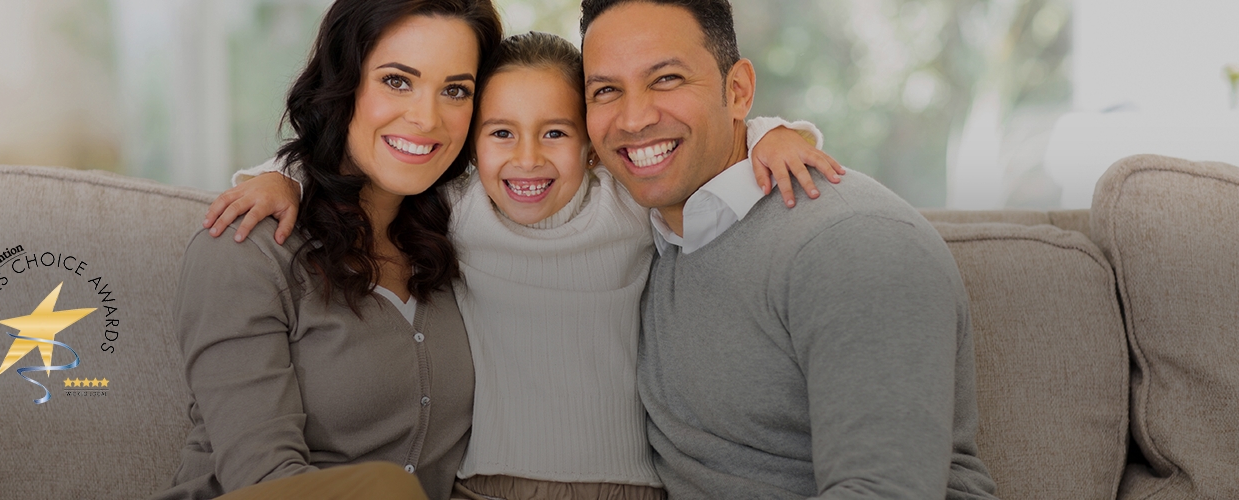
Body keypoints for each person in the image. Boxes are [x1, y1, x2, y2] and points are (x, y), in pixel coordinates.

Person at [206, 31, 845, 500]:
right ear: (470, 144)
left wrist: (778, 134)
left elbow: (699, 143)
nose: (528, 158)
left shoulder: (627, 204)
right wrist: (276, 177)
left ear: (594, 144)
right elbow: (354, 168)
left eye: (557, 132)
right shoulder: (457, 208)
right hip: (481, 487)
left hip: (627, 487)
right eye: (501, 132)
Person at [576, 0, 999, 498]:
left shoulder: (851, 244)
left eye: (666, 79)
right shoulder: (641, 235)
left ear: (737, 92)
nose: (633, 118)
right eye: (606, 90)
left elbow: (882, 489)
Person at [155, 1, 502, 499]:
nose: (427, 118)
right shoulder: (246, 250)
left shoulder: (462, 243)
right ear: (344, 82)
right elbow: (261, 482)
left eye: (455, 90)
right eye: (397, 81)